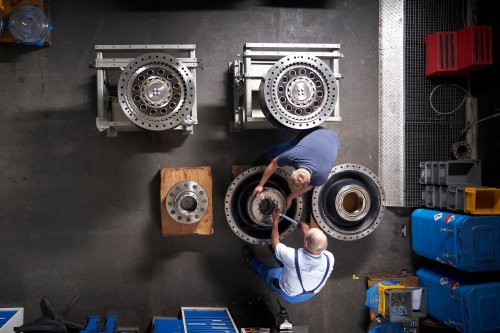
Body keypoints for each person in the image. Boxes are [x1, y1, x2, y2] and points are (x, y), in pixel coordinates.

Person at [243, 208, 334, 304]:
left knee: (268, 273)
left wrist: (275, 220)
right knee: (287, 261)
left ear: (306, 244)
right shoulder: (329, 258)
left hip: (289, 293)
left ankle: (251, 261)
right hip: (309, 293)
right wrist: (307, 234)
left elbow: (275, 244)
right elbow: (315, 246)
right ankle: (277, 254)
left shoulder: (293, 258)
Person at [252, 127, 340, 210]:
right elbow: (274, 163)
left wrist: (291, 197)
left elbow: (309, 187)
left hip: (334, 140)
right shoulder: (292, 155)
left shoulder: (321, 178)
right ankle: (266, 155)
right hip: (317, 131)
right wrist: (260, 185)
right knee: (280, 150)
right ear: (294, 171)